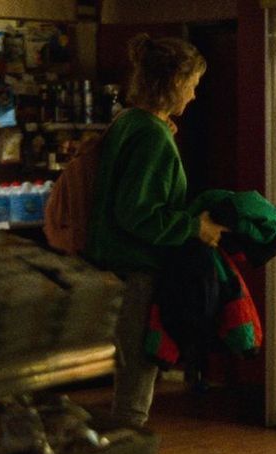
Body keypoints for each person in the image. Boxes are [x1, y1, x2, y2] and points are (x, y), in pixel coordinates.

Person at [85, 34, 228, 424]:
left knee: (127, 374)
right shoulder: (150, 135)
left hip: (109, 266)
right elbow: (138, 213)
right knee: (136, 382)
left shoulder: (129, 122)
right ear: (174, 83)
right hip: (135, 271)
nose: (195, 96)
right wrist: (193, 227)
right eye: (193, 85)